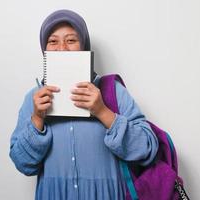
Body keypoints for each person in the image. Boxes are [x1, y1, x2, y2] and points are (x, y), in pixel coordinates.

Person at [9, 9, 159, 200]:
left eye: (71, 40)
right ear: (44, 49)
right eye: (53, 41)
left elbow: (147, 149)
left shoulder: (113, 91)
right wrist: (37, 119)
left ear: (84, 46)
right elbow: (23, 164)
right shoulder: (34, 98)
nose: (62, 48)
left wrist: (103, 112)